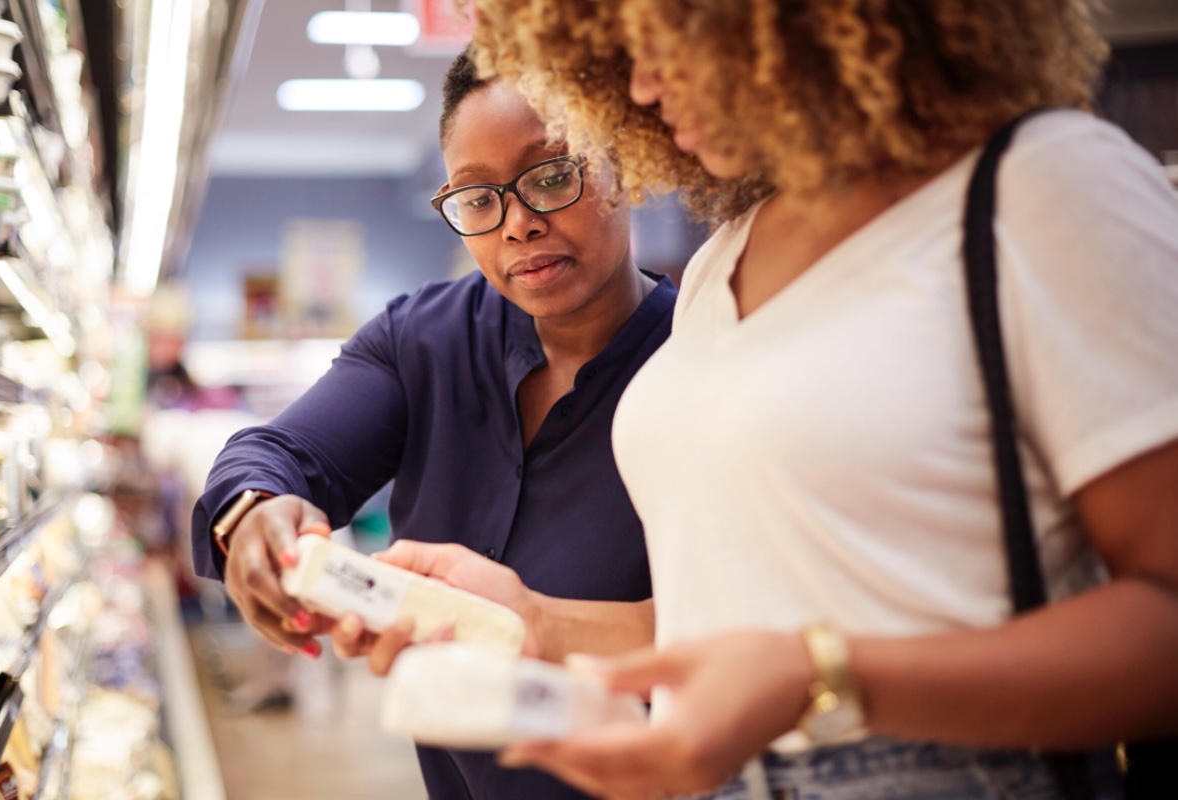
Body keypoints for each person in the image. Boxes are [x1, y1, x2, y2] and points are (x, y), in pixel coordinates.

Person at [462, 1, 1178, 798]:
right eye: (619, 49)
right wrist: (529, 618)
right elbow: (743, 623)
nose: (642, 80)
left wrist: (824, 676)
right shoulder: (721, 260)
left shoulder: (1043, 186)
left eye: (666, 34)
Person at [191, 50, 678, 800]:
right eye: (478, 198)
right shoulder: (423, 340)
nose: (517, 224)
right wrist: (255, 514)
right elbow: (277, 453)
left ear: (624, 163)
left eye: (552, 175)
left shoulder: (701, 364)